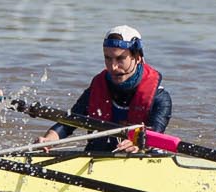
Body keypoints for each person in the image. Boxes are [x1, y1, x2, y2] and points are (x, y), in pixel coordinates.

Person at [39, 25, 172, 153]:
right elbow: (69, 123)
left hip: (138, 158)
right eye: (108, 58)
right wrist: (48, 140)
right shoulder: (96, 89)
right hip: (99, 155)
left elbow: (156, 132)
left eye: (120, 59)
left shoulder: (160, 98)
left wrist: (139, 142)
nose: (113, 67)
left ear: (137, 58)